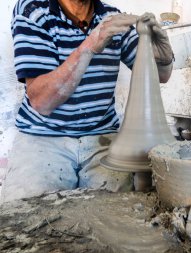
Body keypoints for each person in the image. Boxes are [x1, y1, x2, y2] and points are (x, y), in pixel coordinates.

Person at [0, 0, 174, 203]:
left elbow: (160, 76)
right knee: (29, 215)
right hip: (43, 137)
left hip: (101, 136)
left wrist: (164, 58)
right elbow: (42, 102)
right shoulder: (33, 11)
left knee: (119, 215)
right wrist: (90, 45)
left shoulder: (112, 17)